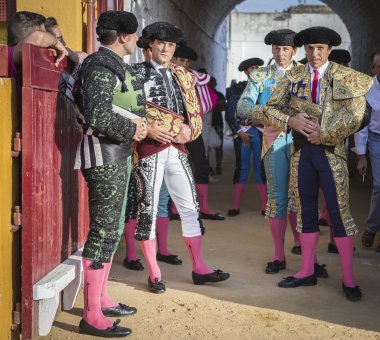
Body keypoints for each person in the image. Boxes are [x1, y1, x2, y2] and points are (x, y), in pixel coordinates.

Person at [239, 26, 372, 301]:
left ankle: (348, 278)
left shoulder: (343, 76)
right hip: (300, 152)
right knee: (305, 210)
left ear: (329, 50)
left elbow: (360, 113)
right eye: (310, 48)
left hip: (330, 152)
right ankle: (306, 270)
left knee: (338, 212)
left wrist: (326, 133)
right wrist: (290, 121)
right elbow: (270, 107)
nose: (314, 53)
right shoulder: (293, 76)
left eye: (320, 48)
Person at [132, 21, 230, 293]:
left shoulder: (183, 75)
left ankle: (199, 268)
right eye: (161, 42)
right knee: (147, 211)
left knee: (189, 208)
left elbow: (195, 113)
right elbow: (123, 110)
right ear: (150, 44)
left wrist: (190, 132)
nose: (166, 48)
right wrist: (147, 127)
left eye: (171, 44)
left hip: (177, 149)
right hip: (149, 149)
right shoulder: (133, 73)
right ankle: (154, 274)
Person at [73, 11, 148, 337]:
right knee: (103, 231)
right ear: (124, 37)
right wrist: (134, 130)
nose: (135, 40)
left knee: (113, 228)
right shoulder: (102, 66)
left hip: (114, 155)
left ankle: (101, 298)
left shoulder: (106, 64)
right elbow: (98, 116)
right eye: (134, 36)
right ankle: (91, 314)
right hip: (104, 157)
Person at [237, 30, 303, 276]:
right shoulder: (260, 75)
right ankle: (278, 255)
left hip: (303, 141)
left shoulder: (304, 72)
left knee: (301, 194)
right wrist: (274, 116)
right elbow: (242, 105)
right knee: (277, 197)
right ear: (272, 50)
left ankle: (303, 248)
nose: (281, 53)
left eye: (286, 49)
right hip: (274, 139)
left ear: (294, 51)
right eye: (277, 48)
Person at [123, 35, 182, 271]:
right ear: (148, 49)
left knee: (163, 198)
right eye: (157, 46)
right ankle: (130, 254)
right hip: (140, 145)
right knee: (135, 200)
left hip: (168, 144)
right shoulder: (135, 72)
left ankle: (163, 249)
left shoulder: (177, 75)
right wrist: (147, 128)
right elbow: (127, 107)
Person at [172, 45, 225, 220]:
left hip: (191, 128)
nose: (185, 64)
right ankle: (172, 209)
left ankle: (203, 207)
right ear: (174, 59)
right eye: (181, 60)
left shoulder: (192, 78)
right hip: (171, 129)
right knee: (174, 168)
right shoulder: (165, 76)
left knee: (201, 166)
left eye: (187, 61)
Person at [225, 57, 267, 217]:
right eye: (251, 68)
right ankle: (235, 206)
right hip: (243, 132)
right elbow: (229, 113)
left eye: (257, 67)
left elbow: (276, 110)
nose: (255, 69)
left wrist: (264, 119)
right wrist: (239, 132)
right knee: (242, 168)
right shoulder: (237, 89)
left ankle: (265, 207)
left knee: (260, 169)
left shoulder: (267, 87)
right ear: (246, 72)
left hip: (261, 132)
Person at [354, 49, 380, 253]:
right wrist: (361, 155)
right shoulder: (367, 89)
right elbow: (362, 123)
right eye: (379, 65)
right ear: (373, 68)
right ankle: (372, 228)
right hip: (375, 139)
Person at [7, 11, 67, 79]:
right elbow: (38, 37)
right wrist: (56, 42)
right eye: (46, 34)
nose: (47, 43)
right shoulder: (9, 56)